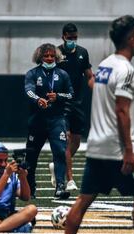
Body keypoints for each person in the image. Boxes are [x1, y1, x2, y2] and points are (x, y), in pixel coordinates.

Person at [65, 15, 134, 234]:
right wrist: (128, 150)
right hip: (117, 148)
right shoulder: (127, 71)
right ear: (132, 39)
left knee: (84, 200)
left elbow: (93, 83)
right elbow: (122, 111)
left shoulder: (104, 65)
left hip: (96, 146)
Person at [24, 43, 74, 199]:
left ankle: (60, 186)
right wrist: (39, 99)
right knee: (31, 156)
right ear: (40, 57)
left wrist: (58, 96)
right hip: (37, 121)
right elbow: (28, 90)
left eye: (52, 56)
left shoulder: (63, 74)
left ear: (56, 57)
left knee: (60, 152)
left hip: (57, 120)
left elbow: (71, 94)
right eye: (46, 56)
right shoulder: (32, 73)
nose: (49, 58)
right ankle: (30, 187)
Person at [54, 23, 95, 191]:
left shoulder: (82, 53)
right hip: (61, 102)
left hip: (78, 102)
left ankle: (58, 163)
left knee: (76, 142)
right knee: (67, 138)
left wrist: (98, 90)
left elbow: (89, 76)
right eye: (70, 38)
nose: (73, 41)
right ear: (63, 36)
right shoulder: (56, 53)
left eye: (75, 38)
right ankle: (69, 179)